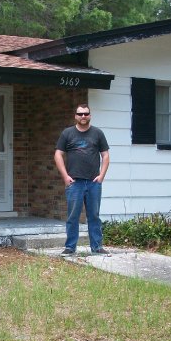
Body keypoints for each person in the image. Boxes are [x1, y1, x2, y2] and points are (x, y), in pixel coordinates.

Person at [54, 103, 110, 256]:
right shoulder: (67, 133)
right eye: (80, 114)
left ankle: (97, 247)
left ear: (90, 115)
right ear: (75, 116)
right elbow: (58, 154)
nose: (83, 116)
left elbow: (105, 155)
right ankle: (70, 247)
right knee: (73, 216)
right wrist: (65, 176)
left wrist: (101, 176)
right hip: (75, 183)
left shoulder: (97, 133)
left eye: (86, 114)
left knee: (94, 216)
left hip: (93, 183)